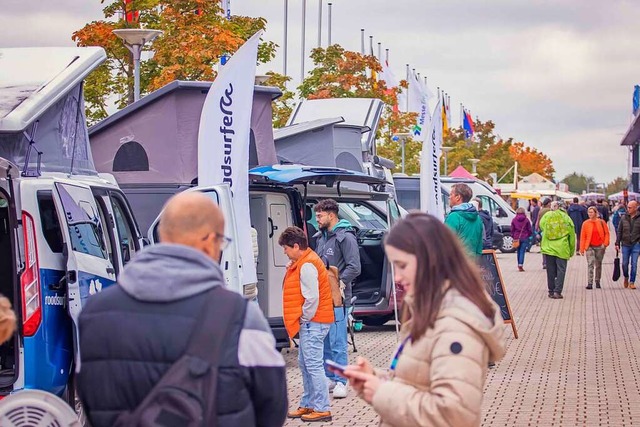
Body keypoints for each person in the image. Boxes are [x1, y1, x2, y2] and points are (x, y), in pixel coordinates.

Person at [77, 193, 287, 427]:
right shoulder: (240, 316)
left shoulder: (95, 313)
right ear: (209, 240)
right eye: (221, 242)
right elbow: (272, 407)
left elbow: (90, 398)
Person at [340, 213, 506, 427]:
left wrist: (382, 392)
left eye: (402, 265)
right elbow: (418, 382)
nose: (397, 277)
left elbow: (454, 415)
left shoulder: (455, 325)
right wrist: (375, 380)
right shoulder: (430, 309)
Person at [280, 227, 335, 422]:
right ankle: (309, 404)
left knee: (312, 366)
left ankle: (321, 407)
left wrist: (304, 317)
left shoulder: (307, 265)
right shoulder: (304, 261)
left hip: (314, 321)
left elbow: (312, 298)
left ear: (296, 246)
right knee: (306, 364)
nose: (284, 252)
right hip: (314, 321)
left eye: (286, 248)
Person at [313, 199, 361, 399]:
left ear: (331, 215)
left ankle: (342, 381)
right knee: (324, 340)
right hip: (322, 297)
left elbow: (354, 266)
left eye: (320, 216)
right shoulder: (321, 237)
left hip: (338, 299)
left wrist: (339, 283)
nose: (317, 220)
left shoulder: (345, 237)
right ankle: (330, 377)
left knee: (337, 341)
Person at [540, 201, 575, 299]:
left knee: (550, 270)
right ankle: (557, 291)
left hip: (548, 247)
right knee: (561, 270)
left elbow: (541, 226)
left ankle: (551, 291)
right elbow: (572, 236)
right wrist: (571, 250)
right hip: (562, 248)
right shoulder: (566, 218)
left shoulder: (546, 216)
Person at [445, 183, 483, 257]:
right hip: (472, 263)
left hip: (456, 264)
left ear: (458, 197)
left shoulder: (454, 217)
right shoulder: (478, 218)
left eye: (451, 194)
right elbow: (479, 248)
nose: (449, 197)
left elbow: (445, 243)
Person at [580, 206, 610, 289]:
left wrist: (605, 244)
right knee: (590, 263)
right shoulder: (585, 223)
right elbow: (583, 236)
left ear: (596, 213)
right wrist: (582, 248)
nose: (590, 214)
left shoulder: (601, 222)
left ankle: (597, 281)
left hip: (600, 246)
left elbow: (607, 233)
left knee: (598, 264)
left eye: (591, 212)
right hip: (589, 246)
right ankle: (590, 283)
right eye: (589, 212)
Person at [615, 200, 640, 289]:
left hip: (636, 244)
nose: (628, 209)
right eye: (628, 207)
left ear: (635, 208)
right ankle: (626, 276)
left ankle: (632, 281)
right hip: (625, 243)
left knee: (634, 263)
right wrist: (617, 242)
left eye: (630, 207)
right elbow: (619, 230)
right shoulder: (624, 217)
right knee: (624, 264)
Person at [511, 207, 532, 272]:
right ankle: (521, 264)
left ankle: (519, 264)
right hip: (524, 237)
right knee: (522, 251)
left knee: (518, 251)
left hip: (516, 237)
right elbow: (530, 229)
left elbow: (512, 229)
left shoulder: (514, 219)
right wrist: (529, 235)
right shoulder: (526, 220)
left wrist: (513, 236)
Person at [536, 198, 553, 268]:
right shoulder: (549, 211)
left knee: (543, 247)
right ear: (548, 203)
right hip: (549, 230)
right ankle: (548, 262)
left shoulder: (541, 210)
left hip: (541, 230)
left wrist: (537, 230)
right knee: (549, 247)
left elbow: (538, 221)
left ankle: (544, 262)